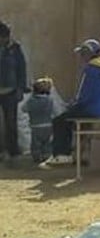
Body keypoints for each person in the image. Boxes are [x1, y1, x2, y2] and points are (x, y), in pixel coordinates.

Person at [41, 39, 100, 168]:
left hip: (91, 109)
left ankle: (62, 155)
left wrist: (72, 105)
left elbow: (84, 95)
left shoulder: (90, 69)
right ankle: (72, 154)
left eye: (82, 54)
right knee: (68, 118)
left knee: (60, 120)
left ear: (88, 54)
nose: (81, 57)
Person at [0, 21, 27, 163]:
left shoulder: (15, 49)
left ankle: (13, 151)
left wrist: (21, 89)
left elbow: (21, 69)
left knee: (11, 122)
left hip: (10, 91)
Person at [23, 77, 57, 164]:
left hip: (35, 126)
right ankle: (46, 156)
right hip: (48, 125)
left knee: (36, 144)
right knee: (47, 143)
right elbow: (54, 111)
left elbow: (24, 109)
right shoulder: (50, 100)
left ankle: (37, 157)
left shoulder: (31, 101)